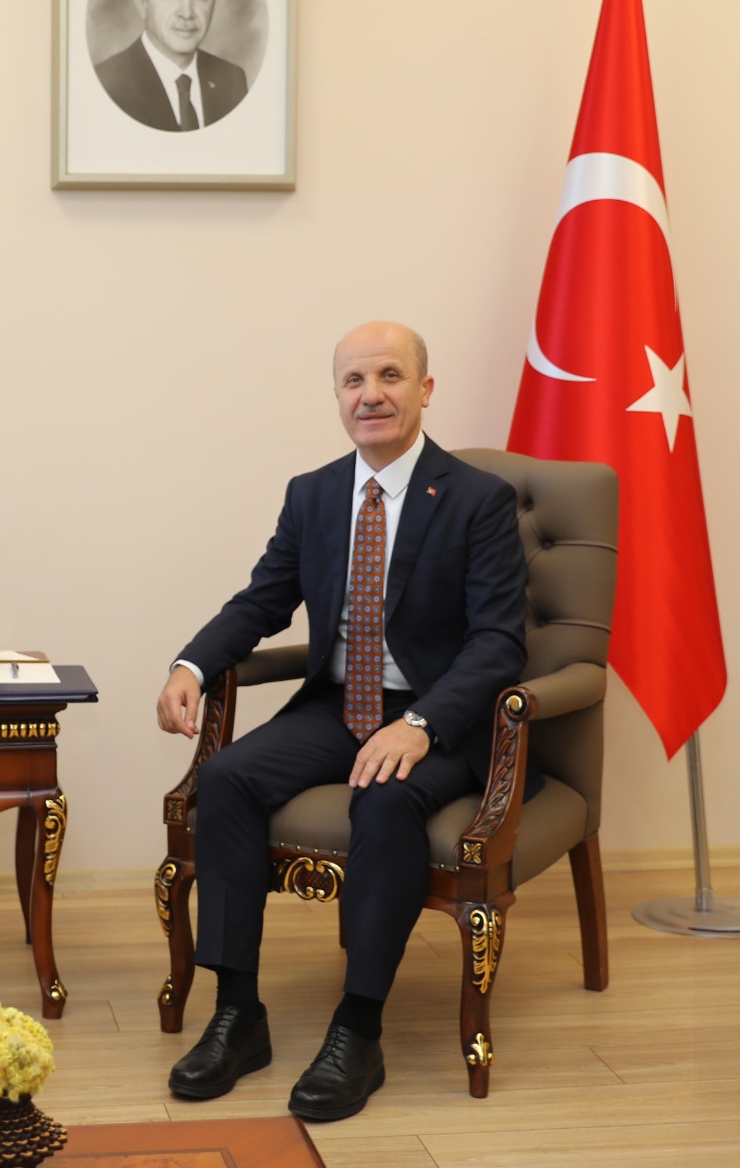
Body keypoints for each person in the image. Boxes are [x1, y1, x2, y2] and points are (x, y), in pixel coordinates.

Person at [155, 321, 527, 1122]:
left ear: (425, 389)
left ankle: (358, 1029)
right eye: (355, 380)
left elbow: (499, 642)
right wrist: (191, 664)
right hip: (338, 705)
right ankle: (237, 1013)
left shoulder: (477, 499)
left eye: (390, 375)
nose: (372, 394)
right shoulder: (314, 493)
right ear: (337, 395)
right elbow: (263, 600)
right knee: (226, 778)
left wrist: (421, 721)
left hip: (439, 718)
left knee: (385, 801)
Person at [95, 0, 248, 132]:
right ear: (142, 3)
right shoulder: (106, 82)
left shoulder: (232, 79)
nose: (187, 13)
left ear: (214, 3)